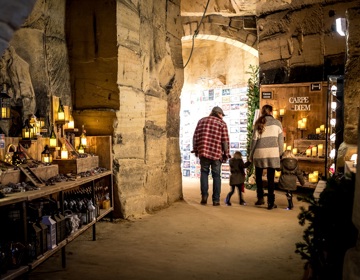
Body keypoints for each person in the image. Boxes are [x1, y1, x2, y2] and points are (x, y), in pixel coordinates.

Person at [192, 106, 230, 206]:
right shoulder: (222, 123)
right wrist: (226, 153)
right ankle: (216, 200)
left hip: (203, 152)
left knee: (204, 173)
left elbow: (195, 136)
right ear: (219, 114)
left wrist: (196, 149)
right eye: (222, 115)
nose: (222, 117)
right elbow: (225, 140)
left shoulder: (201, 121)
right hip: (216, 154)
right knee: (216, 176)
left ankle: (204, 196)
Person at [249, 104, 284, 210]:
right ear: (271, 112)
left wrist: (251, 155)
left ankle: (260, 199)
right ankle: (270, 202)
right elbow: (281, 141)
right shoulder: (277, 123)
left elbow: (254, 141)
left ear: (262, 112)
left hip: (259, 154)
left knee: (259, 177)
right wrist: (280, 153)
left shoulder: (258, 123)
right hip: (272, 154)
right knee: (270, 178)